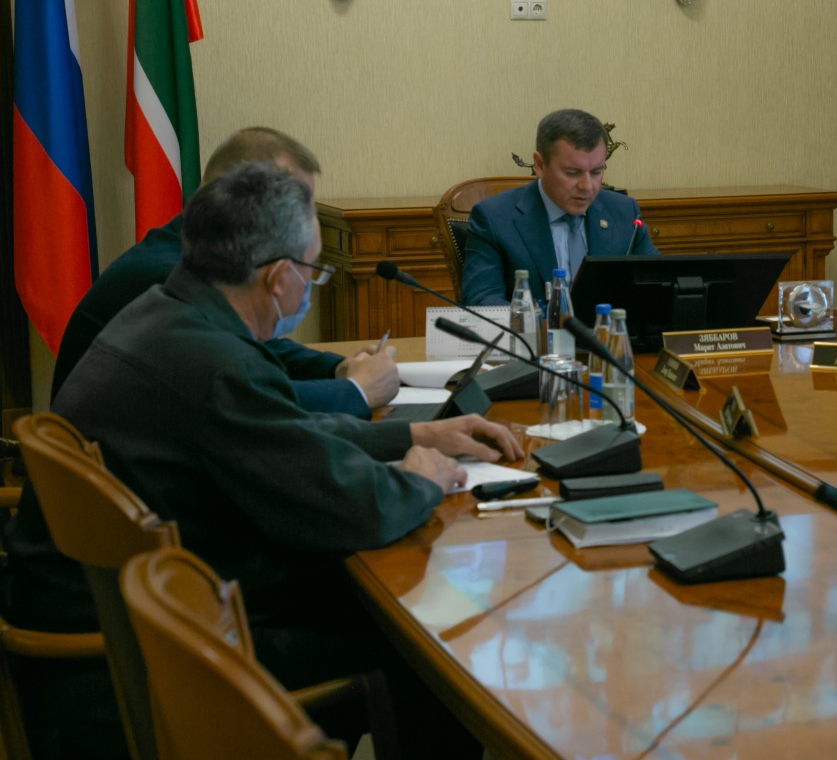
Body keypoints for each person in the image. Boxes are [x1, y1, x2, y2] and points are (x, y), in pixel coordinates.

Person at [1, 163, 525, 759]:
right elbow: (356, 507)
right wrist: (420, 480)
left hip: (123, 621)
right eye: (314, 271)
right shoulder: (214, 365)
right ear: (279, 277)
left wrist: (415, 434)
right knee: (429, 642)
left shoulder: (164, 312)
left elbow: (280, 433)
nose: (310, 287)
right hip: (147, 664)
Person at [50, 127, 396, 417]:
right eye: (292, 201)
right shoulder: (170, 276)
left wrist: (336, 368)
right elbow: (248, 400)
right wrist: (356, 390)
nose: (301, 219)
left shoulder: (191, 252)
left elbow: (255, 350)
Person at [460, 108, 659, 304]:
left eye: (597, 172)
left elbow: (658, 287)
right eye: (572, 173)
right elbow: (482, 301)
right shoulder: (494, 218)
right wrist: (542, 319)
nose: (587, 186)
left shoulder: (624, 212)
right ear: (539, 165)